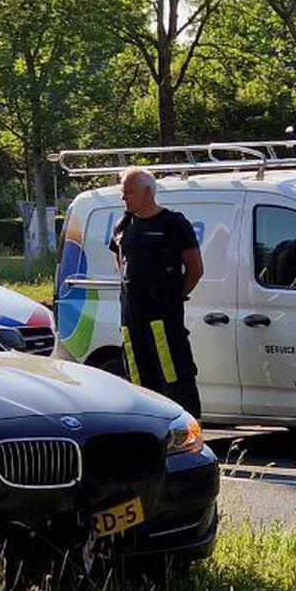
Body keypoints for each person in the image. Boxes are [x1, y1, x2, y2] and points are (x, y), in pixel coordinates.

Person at [110, 168, 205, 417]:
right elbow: (120, 261)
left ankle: (187, 440)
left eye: (128, 192)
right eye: (123, 193)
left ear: (148, 192)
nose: (124, 198)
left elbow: (195, 269)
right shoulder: (123, 224)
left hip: (163, 322)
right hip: (132, 322)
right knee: (139, 383)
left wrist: (173, 297)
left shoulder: (173, 224)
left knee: (175, 379)